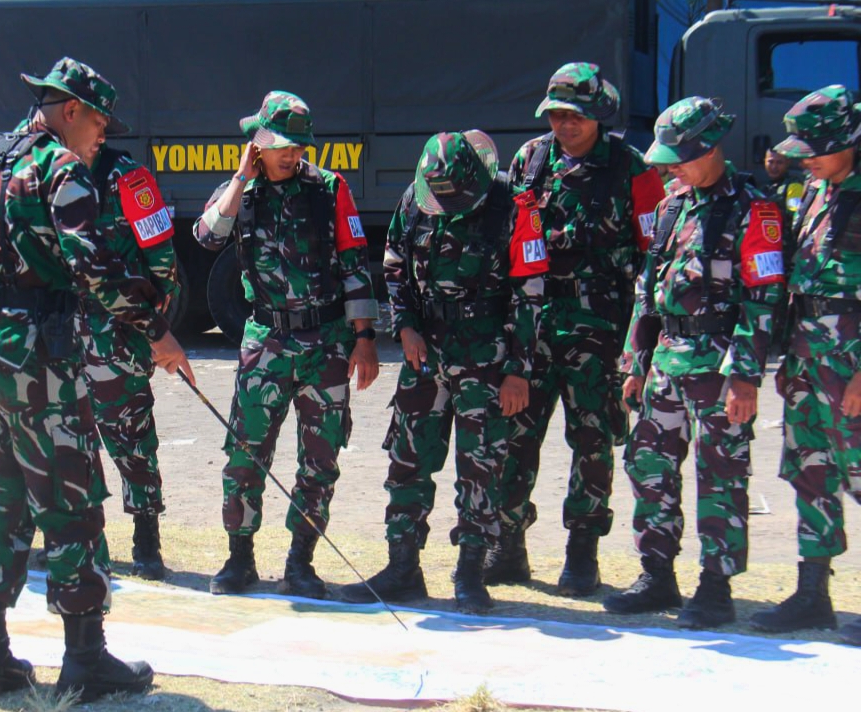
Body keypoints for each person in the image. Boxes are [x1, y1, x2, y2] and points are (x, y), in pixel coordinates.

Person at [0, 57, 194, 700]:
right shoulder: (58, 168)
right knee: (72, 502)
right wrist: (157, 331)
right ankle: (85, 661)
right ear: (66, 109)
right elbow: (93, 269)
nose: (102, 135)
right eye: (97, 120)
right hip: (38, 358)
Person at [338, 132, 546, 613]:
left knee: (481, 467)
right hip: (424, 355)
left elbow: (531, 295)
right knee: (408, 459)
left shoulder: (515, 207)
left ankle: (471, 572)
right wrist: (405, 327)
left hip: (487, 356)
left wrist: (519, 371)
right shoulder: (415, 197)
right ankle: (403, 568)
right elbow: (394, 266)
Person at [605, 97, 785, 629]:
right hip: (666, 361)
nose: (670, 167)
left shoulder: (754, 206)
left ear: (710, 146)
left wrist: (746, 377)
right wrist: (636, 362)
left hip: (719, 367)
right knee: (649, 465)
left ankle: (715, 585)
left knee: (721, 474)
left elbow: (764, 297)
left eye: (680, 156)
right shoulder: (671, 205)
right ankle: (657, 573)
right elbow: (647, 289)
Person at [194, 91, 380, 600]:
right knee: (246, 452)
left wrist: (365, 341)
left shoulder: (329, 189)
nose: (291, 155)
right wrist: (239, 180)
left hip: (326, 344)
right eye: (281, 145)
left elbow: (355, 265)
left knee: (320, 459)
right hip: (265, 343)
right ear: (257, 142)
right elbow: (207, 238)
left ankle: (301, 560)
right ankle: (240, 558)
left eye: (298, 146)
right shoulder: (240, 192)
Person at [495, 62, 666, 596]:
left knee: (592, 441)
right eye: (557, 115)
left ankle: (582, 553)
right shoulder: (531, 159)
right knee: (515, 435)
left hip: (599, 329)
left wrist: (642, 344)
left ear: (599, 115)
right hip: (535, 323)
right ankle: (508, 547)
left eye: (576, 116)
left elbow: (653, 257)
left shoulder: (632, 168)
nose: (565, 125)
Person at [749, 85, 861, 647]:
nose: (807, 158)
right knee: (811, 471)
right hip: (807, 358)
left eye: (818, 148)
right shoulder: (817, 189)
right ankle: (813, 596)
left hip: (853, 364)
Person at [80, 142, 179, 580]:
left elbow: (163, 261)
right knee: (67, 439)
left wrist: (153, 329)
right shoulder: (45, 170)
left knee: (131, 437)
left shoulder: (128, 178)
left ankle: (146, 537)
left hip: (118, 331)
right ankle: (81, 537)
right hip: (59, 333)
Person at [763, 147, 807, 219]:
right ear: (764, 162)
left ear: (787, 163)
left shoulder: (794, 186)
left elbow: (794, 214)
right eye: (770, 162)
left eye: (779, 162)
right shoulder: (765, 187)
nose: (774, 167)